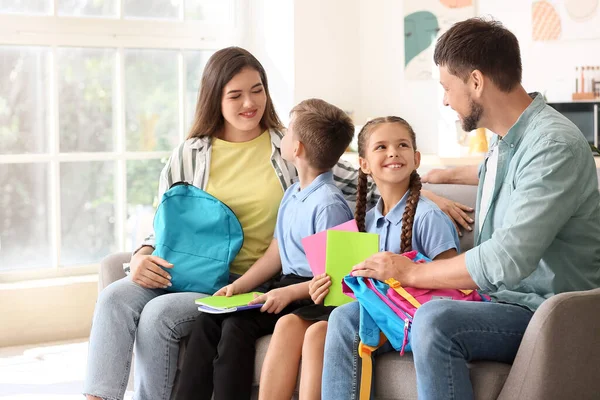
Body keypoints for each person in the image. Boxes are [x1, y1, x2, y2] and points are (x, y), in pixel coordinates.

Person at [322, 18, 600, 400]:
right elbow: (511, 179)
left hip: (544, 311)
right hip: (499, 299)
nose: (445, 100)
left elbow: (507, 260)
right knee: (348, 318)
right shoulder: (507, 143)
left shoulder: (554, 146)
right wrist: (442, 177)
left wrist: (412, 272)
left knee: (435, 319)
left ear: (475, 81)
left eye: (446, 87)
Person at [83, 48, 371, 400]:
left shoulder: (289, 144)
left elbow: (362, 180)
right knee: (114, 296)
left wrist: (424, 191)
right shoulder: (190, 153)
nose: (250, 103)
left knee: (159, 315)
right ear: (214, 97)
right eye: (235, 95)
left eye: (258, 89)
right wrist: (142, 254)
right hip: (184, 268)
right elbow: (163, 220)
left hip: (241, 279)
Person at [259, 116, 460, 400]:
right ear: (363, 164)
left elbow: (453, 285)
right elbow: (351, 289)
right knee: (291, 324)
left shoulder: (428, 217)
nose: (393, 152)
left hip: (409, 319)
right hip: (370, 311)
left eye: (402, 145)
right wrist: (320, 287)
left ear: (415, 158)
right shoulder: (366, 220)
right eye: (381, 147)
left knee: (319, 335)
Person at [173, 98, 356, 400]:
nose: (281, 137)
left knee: (236, 328)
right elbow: (276, 252)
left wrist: (286, 294)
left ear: (296, 149)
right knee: (208, 319)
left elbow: (335, 279)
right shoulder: (293, 194)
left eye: (287, 133)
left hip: (311, 297)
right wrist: (238, 286)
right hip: (283, 287)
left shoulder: (328, 204)